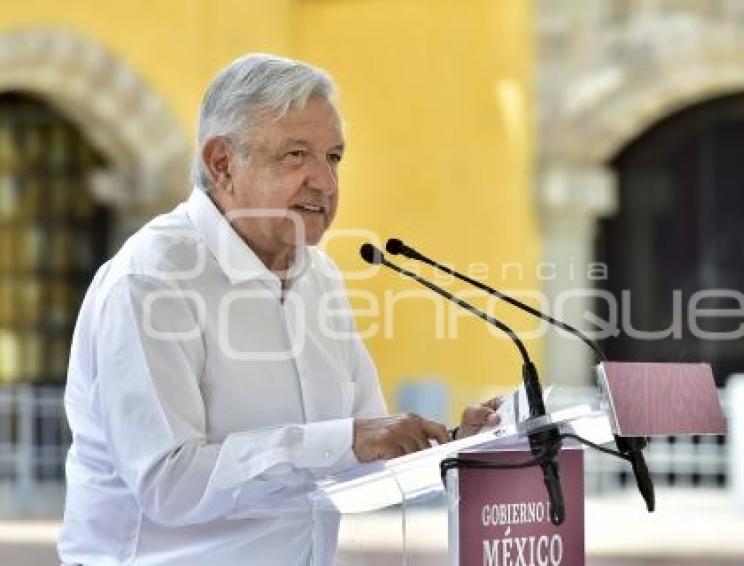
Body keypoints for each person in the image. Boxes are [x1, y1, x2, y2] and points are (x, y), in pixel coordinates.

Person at [58, 53, 500, 566]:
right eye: (296, 155)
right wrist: (346, 440)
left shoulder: (321, 278)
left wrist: (455, 448)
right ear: (222, 163)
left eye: (334, 158)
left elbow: (364, 456)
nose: (326, 183)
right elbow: (168, 483)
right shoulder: (151, 280)